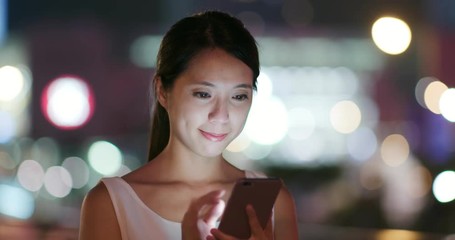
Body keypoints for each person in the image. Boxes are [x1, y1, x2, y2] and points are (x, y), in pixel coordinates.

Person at [79, 10, 298, 240]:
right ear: (162, 91)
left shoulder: (271, 202)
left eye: (238, 96)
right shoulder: (110, 203)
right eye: (203, 94)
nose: (220, 115)